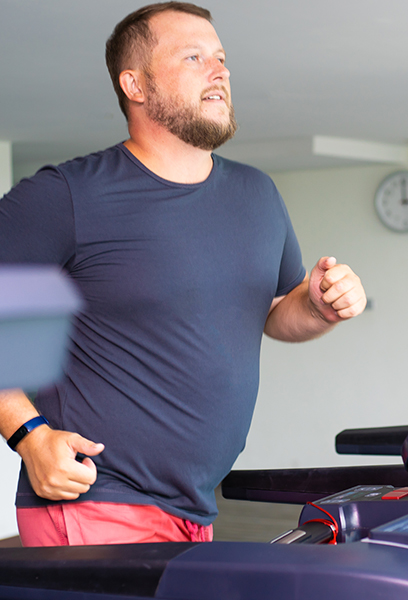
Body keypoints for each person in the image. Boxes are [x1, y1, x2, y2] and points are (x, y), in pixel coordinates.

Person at [0, 2, 366, 547]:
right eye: (194, 57)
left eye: (221, 58)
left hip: (195, 508)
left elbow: (273, 312)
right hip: (97, 497)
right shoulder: (67, 196)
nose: (219, 71)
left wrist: (315, 306)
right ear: (135, 84)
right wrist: (28, 434)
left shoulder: (257, 194)